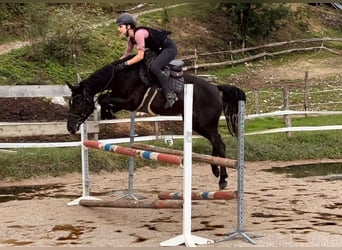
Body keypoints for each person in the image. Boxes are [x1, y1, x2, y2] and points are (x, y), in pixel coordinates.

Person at [115, 12, 178, 108]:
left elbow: (140, 56)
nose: (118, 29)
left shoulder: (139, 34)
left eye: (120, 26)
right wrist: (116, 64)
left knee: (155, 67)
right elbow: (127, 54)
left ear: (128, 26)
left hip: (169, 48)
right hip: (159, 49)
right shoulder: (131, 39)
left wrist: (125, 64)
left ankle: (170, 94)